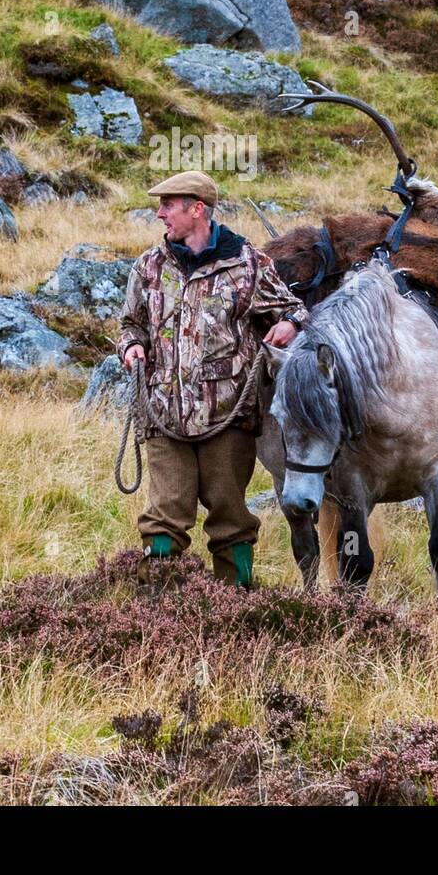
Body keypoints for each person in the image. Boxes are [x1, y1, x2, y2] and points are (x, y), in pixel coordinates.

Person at [116, 170, 307, 588]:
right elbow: (130, 323)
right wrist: (131, 345)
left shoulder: (248, 265)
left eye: (168, 205)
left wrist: (290, 324)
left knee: (230, 517)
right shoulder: (149, 267)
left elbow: (296, 308)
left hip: (229, 418)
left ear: (197, 209)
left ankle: (232, 609)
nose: (159, 213)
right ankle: (156, 612)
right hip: (163, 416)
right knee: (165, 515)